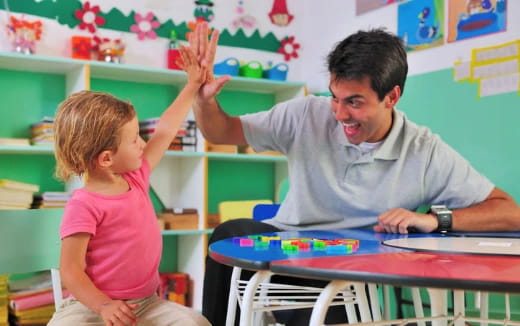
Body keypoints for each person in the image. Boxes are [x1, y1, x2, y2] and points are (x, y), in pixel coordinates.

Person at [190, 23, 520, 325]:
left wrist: (438, 220)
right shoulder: (306, 113)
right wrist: (204, 101)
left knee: (323, 309)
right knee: (228, 235)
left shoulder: (424, 150)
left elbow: (508, 212)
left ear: (391, 96)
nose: (339, 113)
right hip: (289, 249)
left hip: (350, 269)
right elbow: (223, 132)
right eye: (335, 98)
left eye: (355, 102)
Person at [48, 46, 211, 326]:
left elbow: (165, 130)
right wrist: (104, 306)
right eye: (135, 139)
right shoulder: (83, 205)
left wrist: (192, 85)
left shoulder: (135, 178)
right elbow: (71, 271)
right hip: (91, 304)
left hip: (147, 304)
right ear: (107, 158)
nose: (144, 144)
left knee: (196, 323)